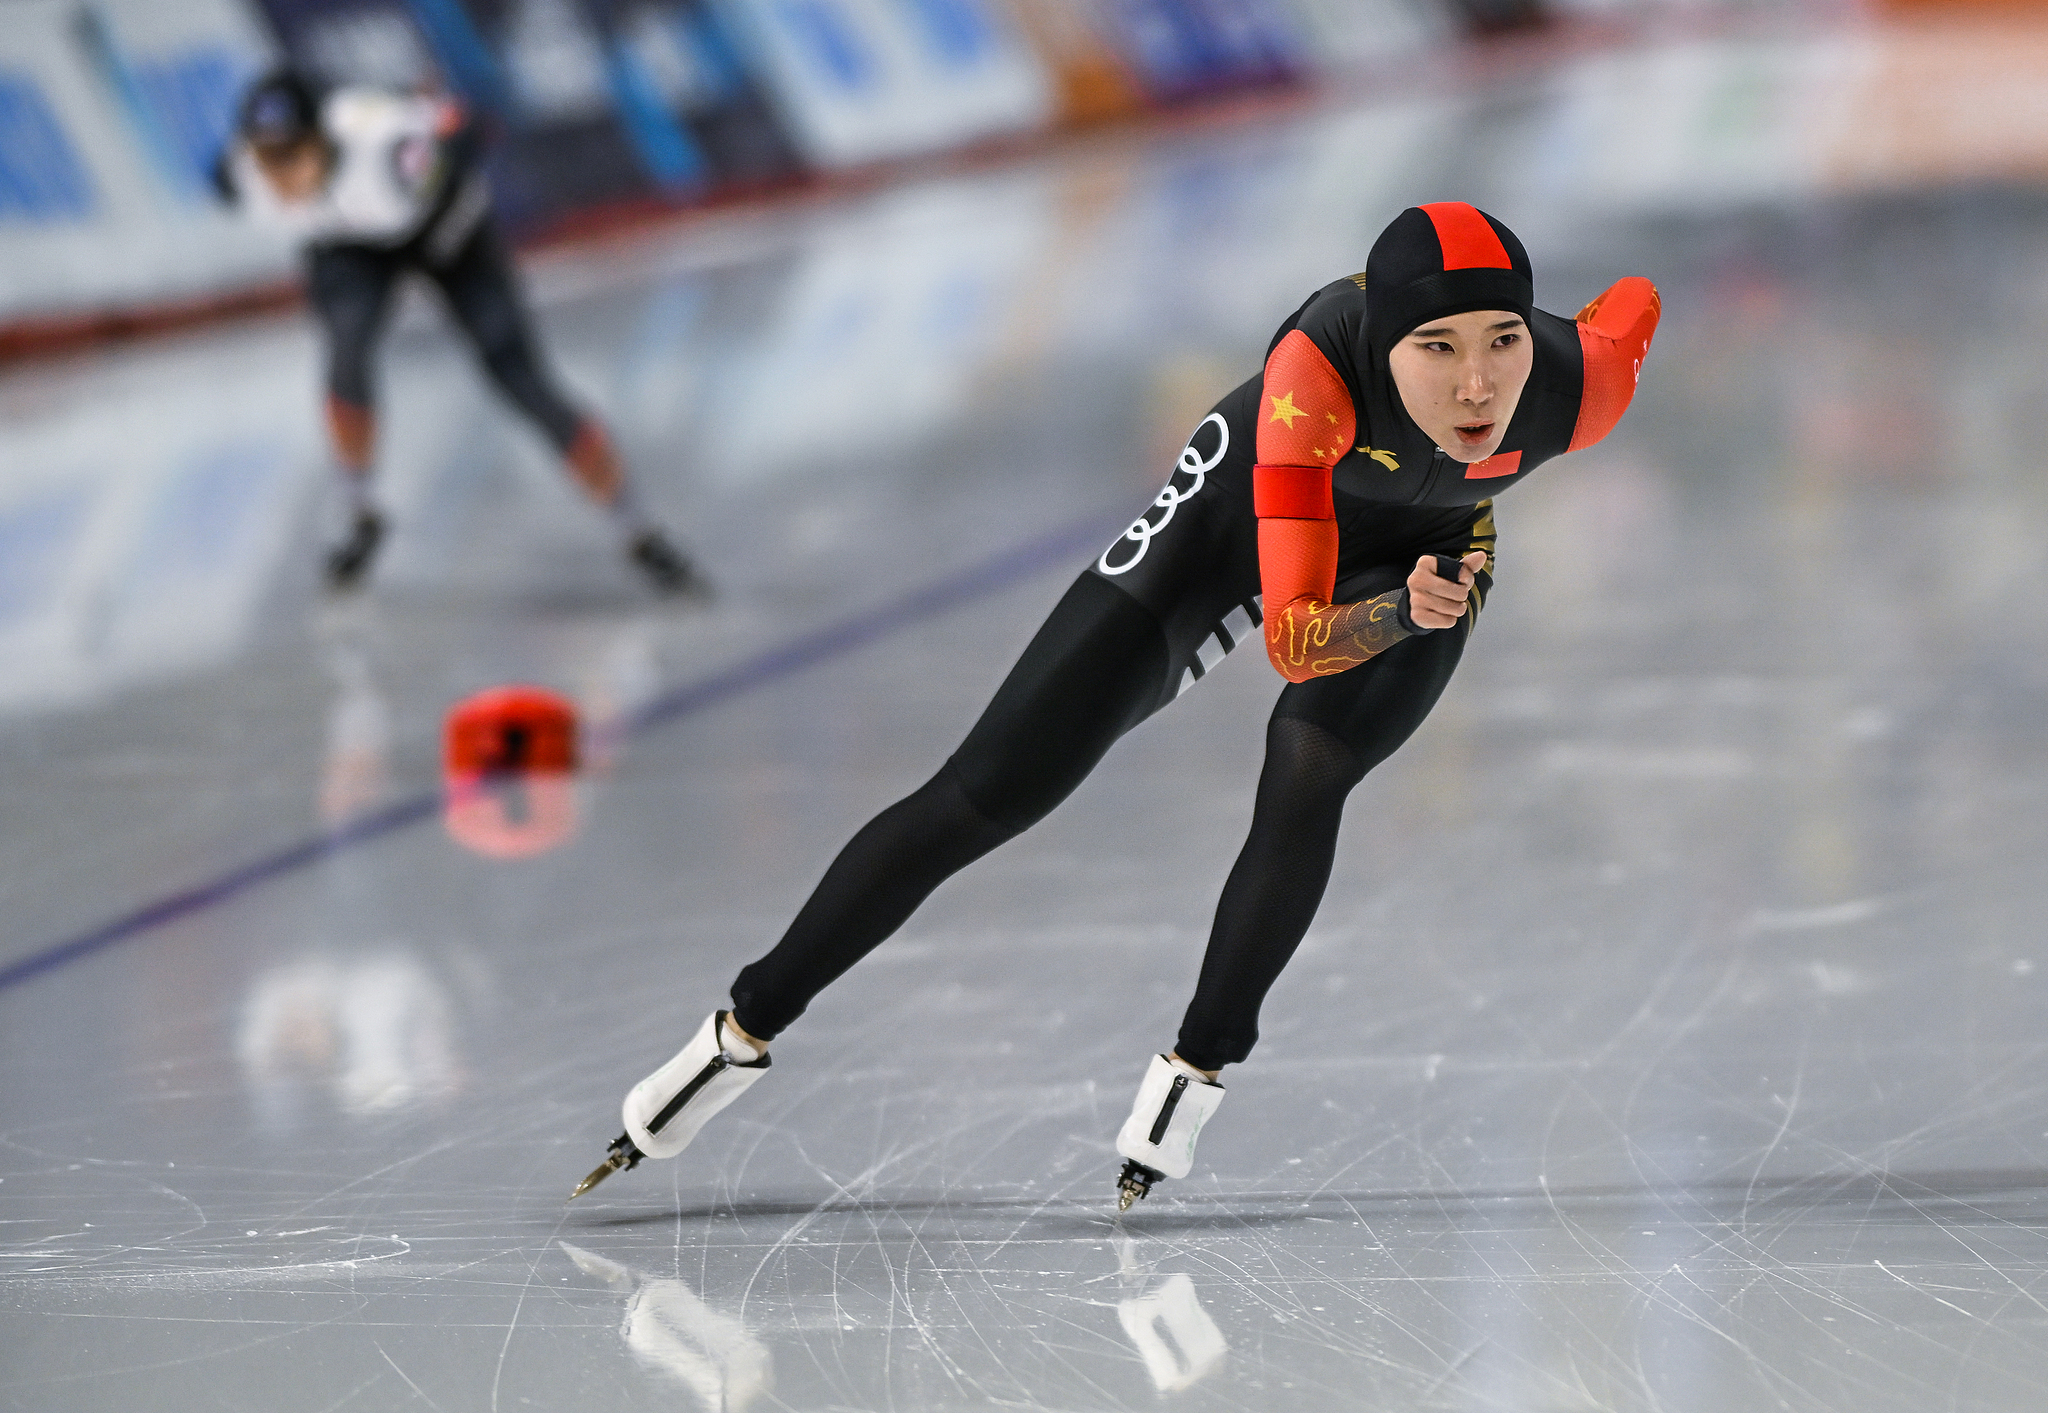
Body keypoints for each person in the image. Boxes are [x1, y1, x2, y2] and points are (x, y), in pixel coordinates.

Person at [571, 202, 1660, 1208]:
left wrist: (1415, 604)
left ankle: (1199, 1063)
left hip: (1416, 556)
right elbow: (1294, 638)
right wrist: (1391, 620)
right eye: (1436, 348)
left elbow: (1631, 308)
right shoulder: (1314, 378)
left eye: (1500, 342)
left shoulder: (1581, 384)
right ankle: (737, 1032)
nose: (1476, 388)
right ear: (1383, 343)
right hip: (1230, 528)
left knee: (1308, 765)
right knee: (985, 793)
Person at [216, 71, 709, 595]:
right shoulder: (237, 173)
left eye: (290, 157)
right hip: (350, 245)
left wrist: (443, 118)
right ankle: (356, 513)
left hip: (447, 233)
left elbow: (469, 126)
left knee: (521, 379)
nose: (277, 176)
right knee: (345, 353)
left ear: (325, 141)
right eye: (265, 160)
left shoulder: (390, 149)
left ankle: (640, 530)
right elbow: (239, 177)